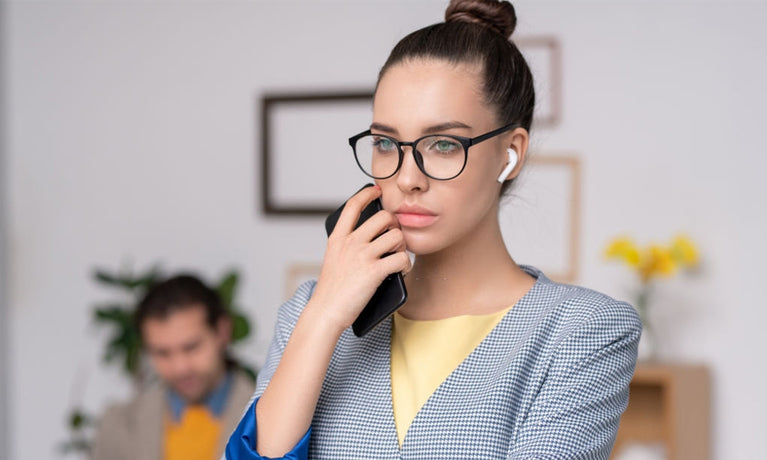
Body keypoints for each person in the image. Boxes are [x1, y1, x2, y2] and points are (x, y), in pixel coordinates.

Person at [226, 0, 641, 458]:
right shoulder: (313, 310)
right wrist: (324, 319)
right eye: (386, 143)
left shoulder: (583, 331)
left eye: (443, 144)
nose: (407, 178)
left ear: (511, 154)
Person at [92, 274, 255, 460]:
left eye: (191, 347)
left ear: (222, 332)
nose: (180, 368)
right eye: (162, 353)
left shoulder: (271, 418)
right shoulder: (118, 425)